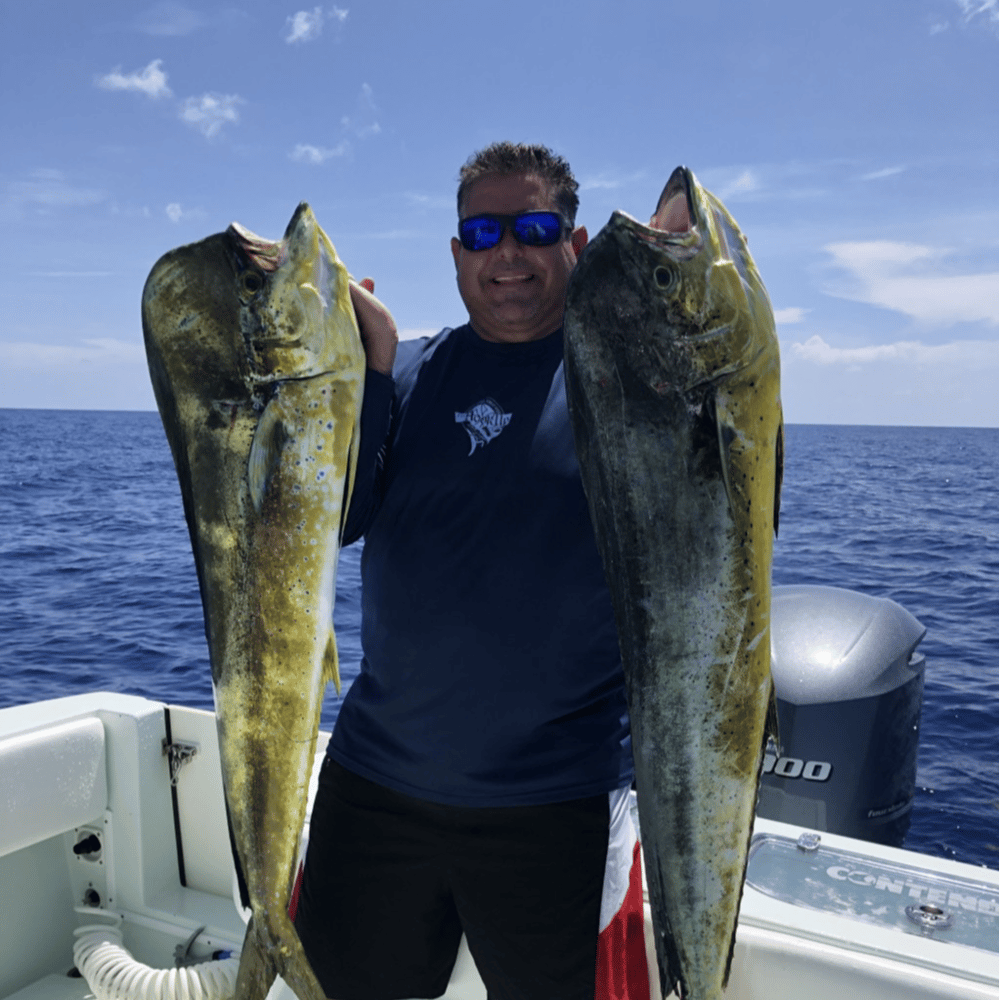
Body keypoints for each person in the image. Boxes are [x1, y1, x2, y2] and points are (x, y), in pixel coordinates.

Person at [293, 142, 648, 1000]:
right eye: (481, 232)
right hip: (376, 789)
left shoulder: (636, 387)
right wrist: (367, 364)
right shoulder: (406, 372)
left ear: (578, 242)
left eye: (533, 228)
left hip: (557, 805)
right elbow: (330, 522)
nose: (507, 254)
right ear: (455, 251)